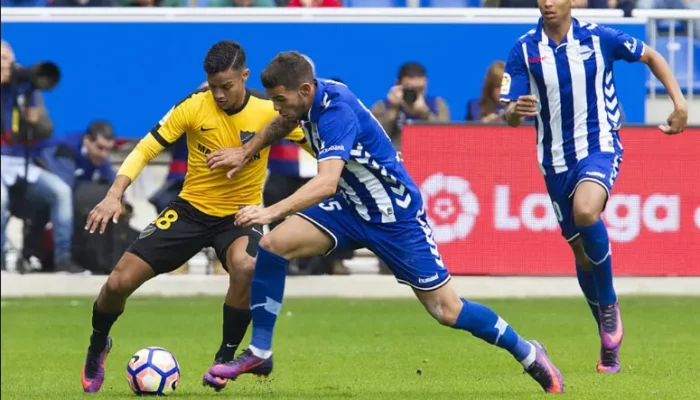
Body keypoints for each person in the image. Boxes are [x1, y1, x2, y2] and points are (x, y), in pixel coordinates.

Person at [206, 52, 565, 394]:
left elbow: (326, 182)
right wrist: (245, 150)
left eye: (280, 99)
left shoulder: (336, 113)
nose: (276, 107)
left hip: (395, 217)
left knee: (447, 310)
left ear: (304, 90)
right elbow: (283, 122)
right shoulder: (308, 98)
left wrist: (270, 212)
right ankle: (261, 353)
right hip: (350, 208)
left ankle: (529, 353)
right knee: (273, 246)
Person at [79, 40, 311, 393]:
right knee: (117, 284)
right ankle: (98, 344)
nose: (218, 94)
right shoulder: (193, 106)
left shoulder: (269, 113)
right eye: (213, 86)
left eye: (226, 86)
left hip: (241, 216)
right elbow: (146, 147)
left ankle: (225, 356)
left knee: (247, 267)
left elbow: (319, 146)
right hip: (189, 211)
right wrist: (115, 193)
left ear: (244, 76)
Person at [500, 0, 687, 374]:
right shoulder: (523, 48)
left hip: (599, 146)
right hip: (553, 161)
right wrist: (514, 112)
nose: (547, 3)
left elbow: (653, 56)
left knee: (587, 211)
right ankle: (608, 346)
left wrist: (680, 103)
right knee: (582, 257)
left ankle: (610, 306)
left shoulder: (599, 36)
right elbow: (508, 115)